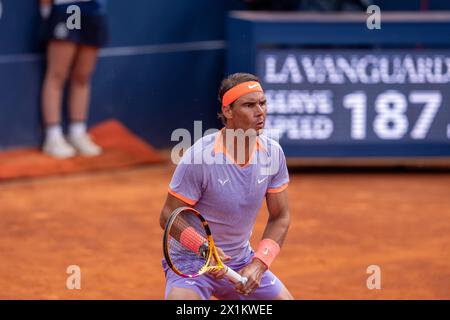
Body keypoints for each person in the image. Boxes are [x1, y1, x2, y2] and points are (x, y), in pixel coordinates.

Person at [159, 73, 293, 300]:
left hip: (239, 262)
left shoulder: (273, 154)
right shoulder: (200, 157)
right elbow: (168, 216)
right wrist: (204, 248)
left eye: (262, 103)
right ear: (229, 112)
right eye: (249, 105)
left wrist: (259, 264)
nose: (260, 112)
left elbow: (280, 216)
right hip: (193, 262)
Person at [39, 0, 108, 158]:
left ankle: (77, 133)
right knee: (57, 75)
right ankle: (53, 137)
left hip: (94, 9)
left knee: (83, 76)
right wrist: (46, 10)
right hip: (65, 7)